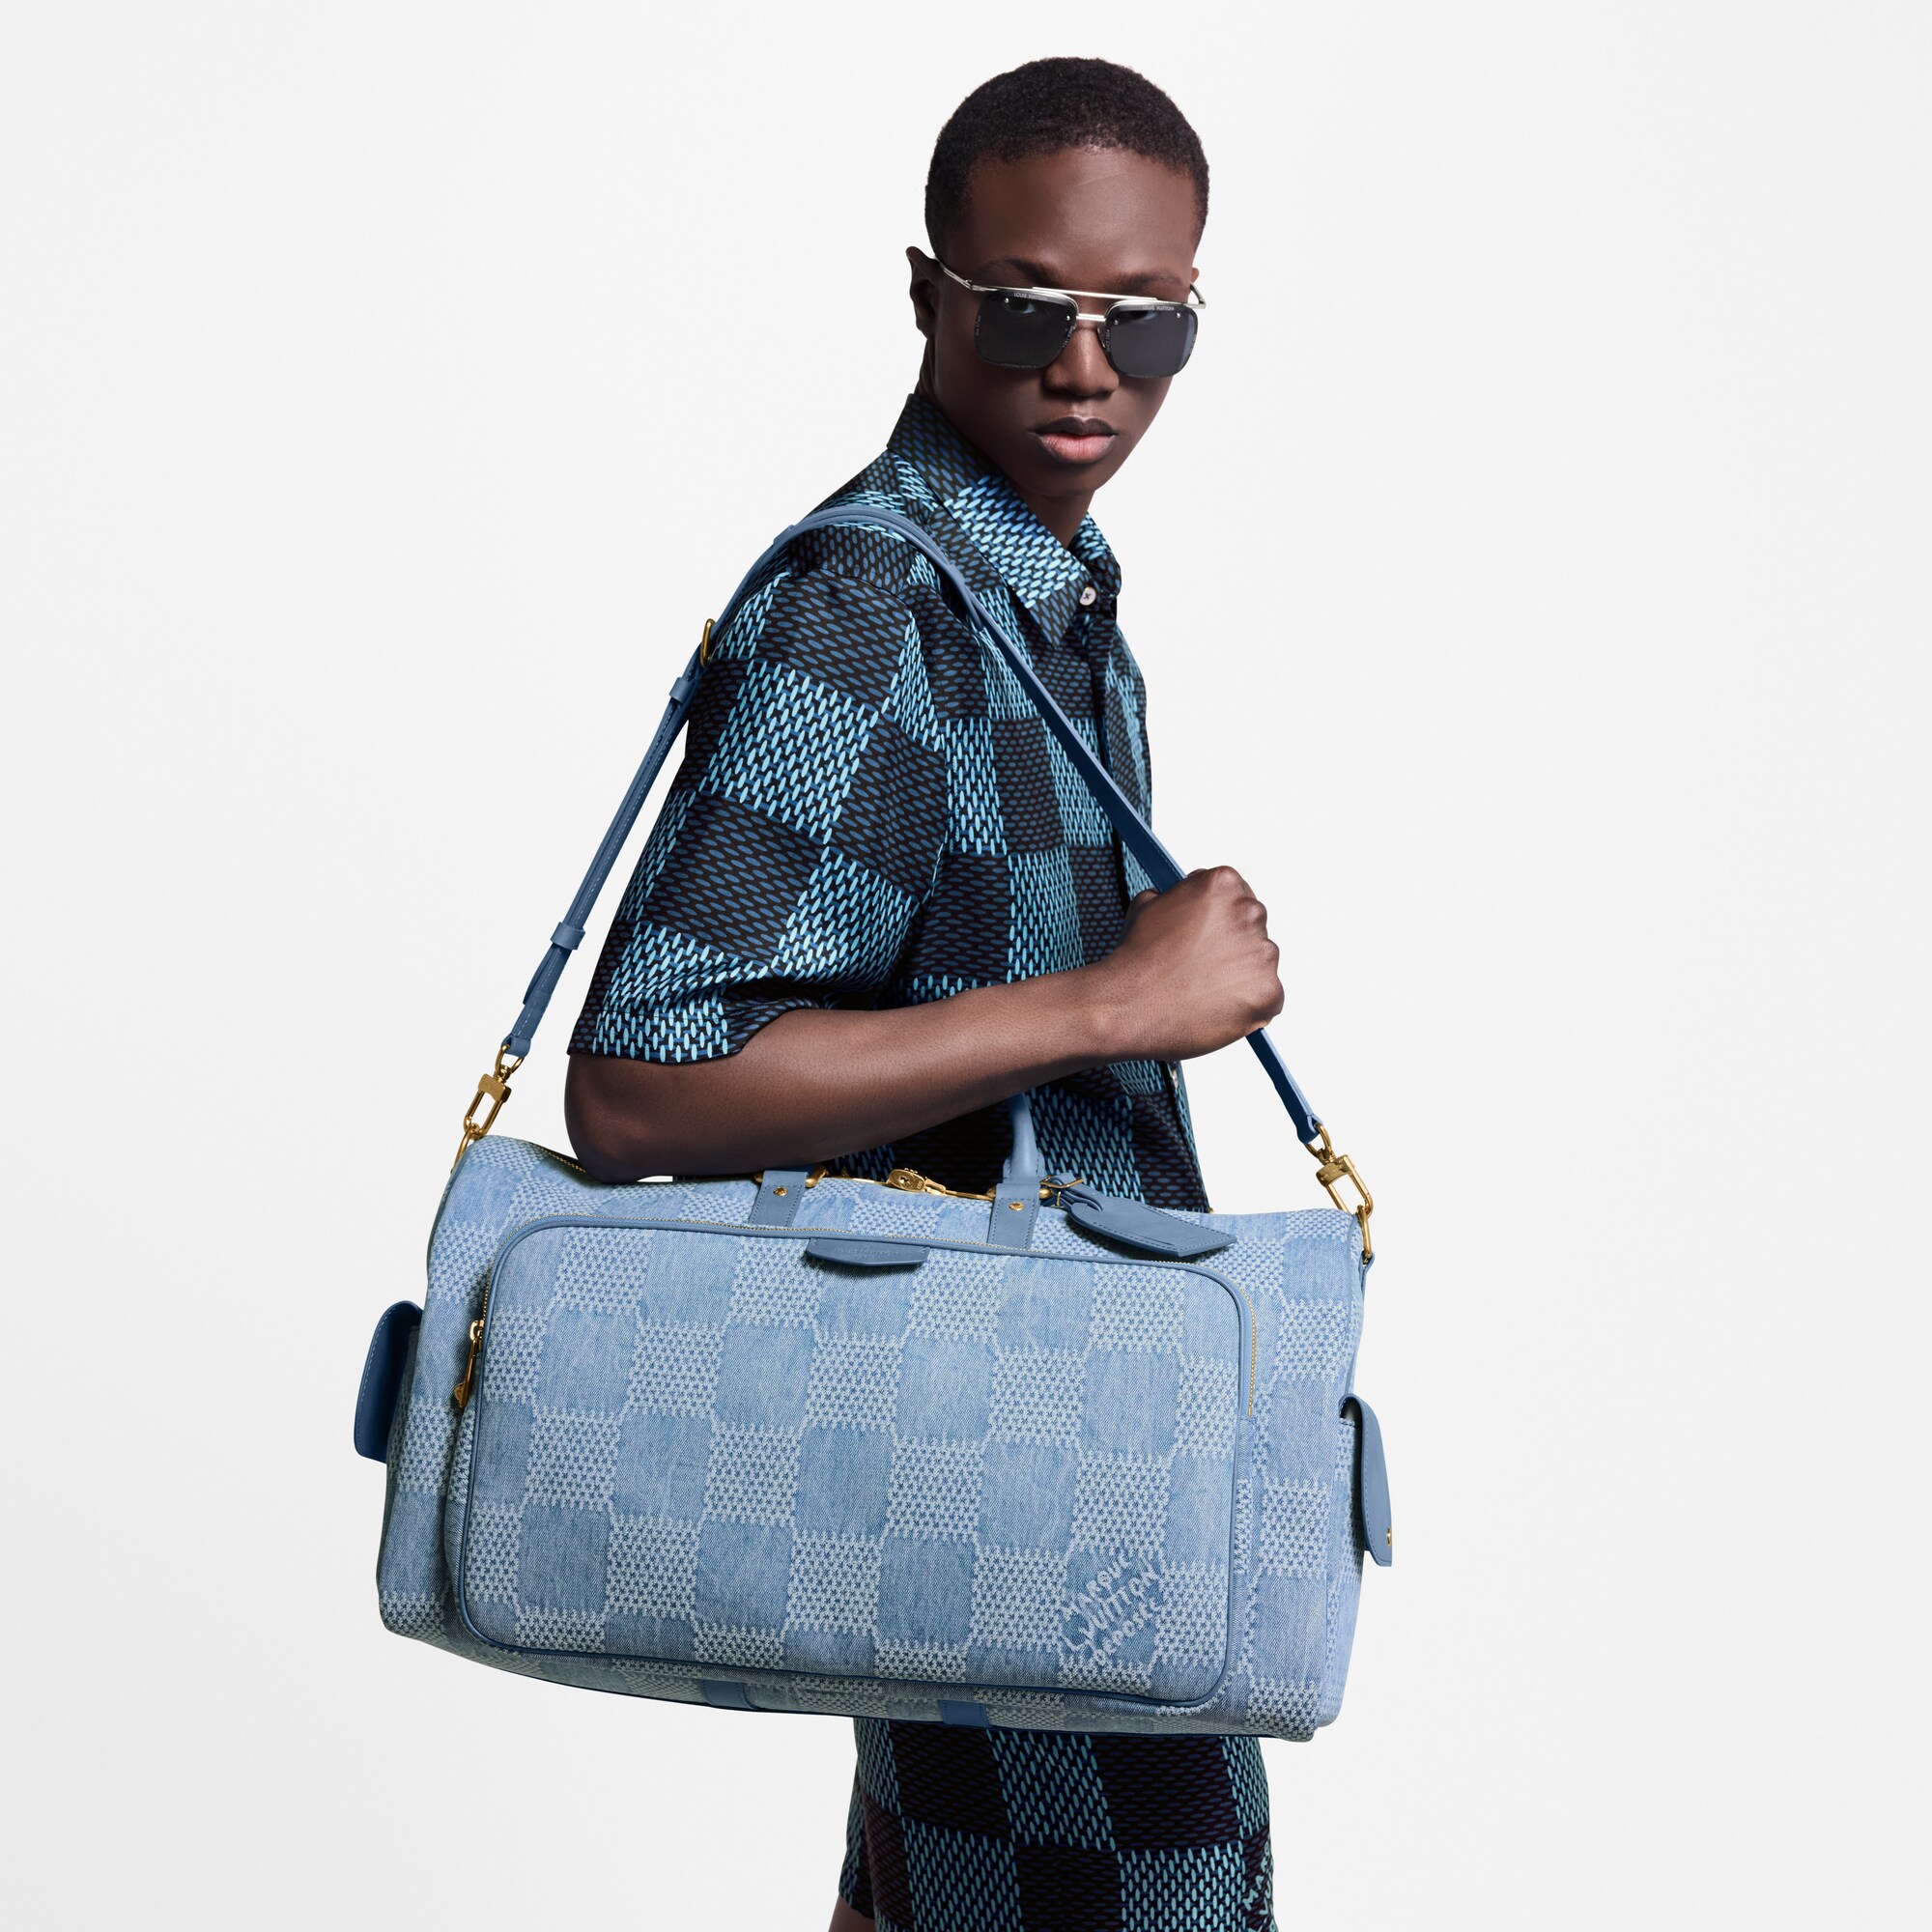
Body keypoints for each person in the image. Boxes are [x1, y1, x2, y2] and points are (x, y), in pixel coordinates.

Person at [566, 55, 1285, 1932]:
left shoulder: (1044, 601)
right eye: (1027, 308)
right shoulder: (874, 606)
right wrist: (1110, 1006)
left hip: (1040, 1474)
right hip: (1028, 1496)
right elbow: (644, 1082)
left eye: (1147, 321)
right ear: (925, 294)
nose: (1087, 368)